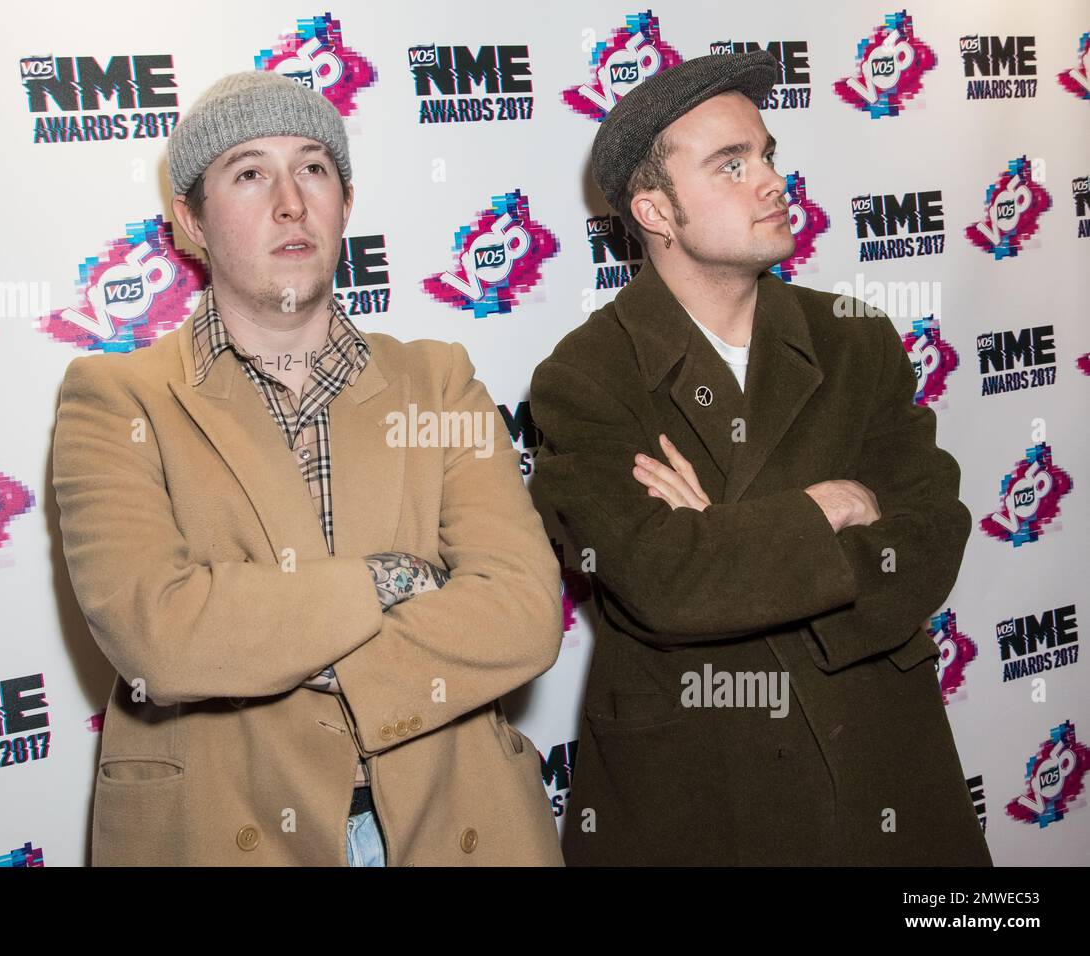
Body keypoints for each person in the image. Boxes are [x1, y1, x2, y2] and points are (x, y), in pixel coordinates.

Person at [53, 70, 564, 866]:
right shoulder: (116, 397)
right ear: (190, 219)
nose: (290, 202)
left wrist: (265, 634)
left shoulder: (438, 378)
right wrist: (393, 578)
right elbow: (161, 635)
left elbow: (525, 613)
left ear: (345, 204)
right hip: (227, 829)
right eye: (249, 172)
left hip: (450, 822)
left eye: (315, 168)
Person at [529, 50, 991, 865]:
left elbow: (932, 535)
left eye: (768, 154)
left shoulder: (857, 335)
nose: (773, 180)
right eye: (731, 165)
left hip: (878, 758)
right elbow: (663, 583)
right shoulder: (583, 377)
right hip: (704, 784)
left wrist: (728, 538)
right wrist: (830, 507)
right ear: (655, 211)